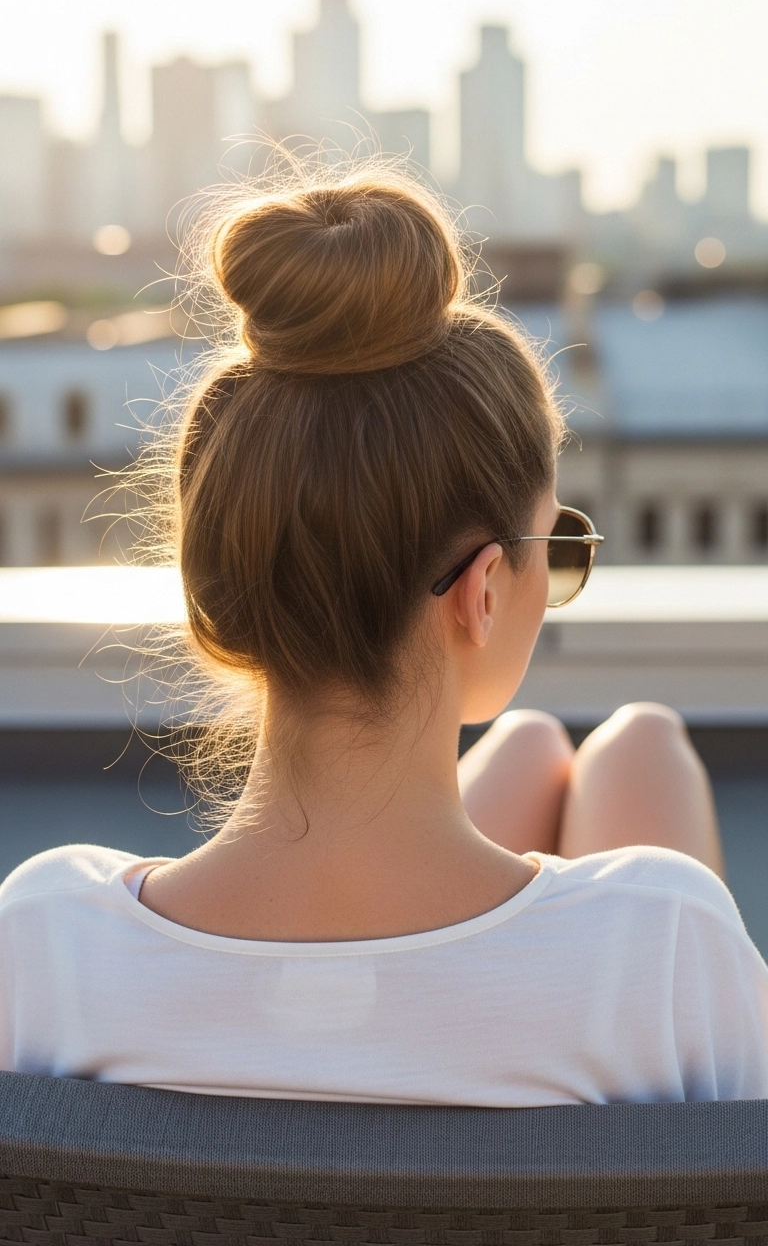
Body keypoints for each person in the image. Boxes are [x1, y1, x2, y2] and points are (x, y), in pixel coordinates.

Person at [1, 168, 766, 1104]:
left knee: (530, 752)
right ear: (484, 590)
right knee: (638, 748)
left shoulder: (42, 945)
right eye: (556, 542)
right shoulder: (663, 947)